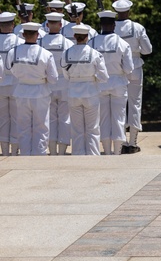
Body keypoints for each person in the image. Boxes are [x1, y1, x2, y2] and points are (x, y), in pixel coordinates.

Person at [5, 22, 59, 155]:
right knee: (41, 126)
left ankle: (24, 154)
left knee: (23, 126)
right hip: (40, 92)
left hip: (22, 91)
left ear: (23, 35)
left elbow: (8, 69)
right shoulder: (46, 54)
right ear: (38, 35)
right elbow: (53, 78)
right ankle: (39, 154)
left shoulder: (13, 51)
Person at [91, 10, 135, 154]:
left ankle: (107, 151)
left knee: (103, 119)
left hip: (100, 84)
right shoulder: (122, 44)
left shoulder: (92, 42)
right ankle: (117, 151)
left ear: (101, 25)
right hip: (118, 83)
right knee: (119, 118)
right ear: (114, 25)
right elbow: (129, 68)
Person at [62, 24, 108, 156]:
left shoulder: (66, 53)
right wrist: (93, 78)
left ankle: (78, 155)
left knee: (76, 129)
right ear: (87, 37)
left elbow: (65, 75)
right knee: (92, 128)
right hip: (91, 93)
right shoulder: (95, 54)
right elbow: (104, 76)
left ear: (75, 36)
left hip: (73, 93)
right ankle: (93, 156)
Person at [114, 0, 153, 151]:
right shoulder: (137, 27)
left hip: (118, 68)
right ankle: (133, 142)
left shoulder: (111, 28)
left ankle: (122, 141)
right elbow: (148, 50)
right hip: (135, 67)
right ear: (129, 11)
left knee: (120, 105)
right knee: (135, 104)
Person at [41, 12, 72, 155]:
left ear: (47, 25)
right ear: (61, 25)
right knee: (65, 118)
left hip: (47, 84)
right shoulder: (68, 43)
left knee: (50, 118)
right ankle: (62, 151)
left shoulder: (40, 42)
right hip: (64, 83)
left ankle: (52, 150)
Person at [0, 12, 22, 155]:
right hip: (15, 83)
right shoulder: (19, 41)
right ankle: (14, 151)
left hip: (1, 84)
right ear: (12, 25)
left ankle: (5, 151)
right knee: (15, 118)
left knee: (2, 119)